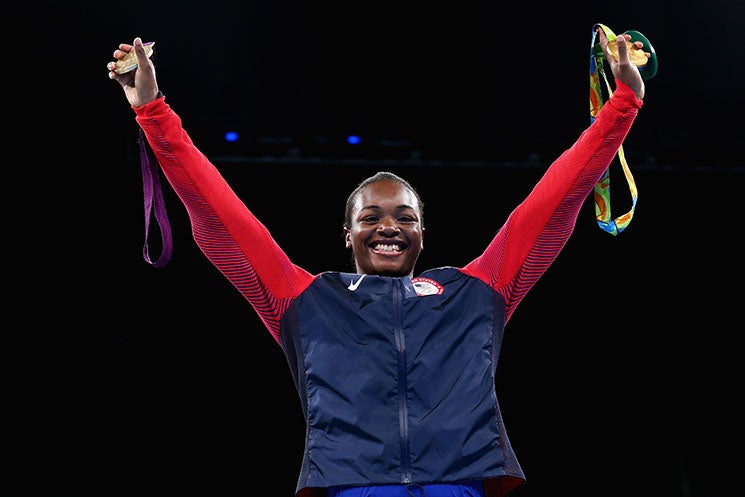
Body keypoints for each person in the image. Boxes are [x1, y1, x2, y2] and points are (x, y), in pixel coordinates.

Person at [108, 28, 647, 497]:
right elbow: (220, 213)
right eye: (371, 217)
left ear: (421, 233)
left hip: (457, 484)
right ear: (347, 235)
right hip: (354, 486)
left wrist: (623, 104)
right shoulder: (306, 298)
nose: (389, 226)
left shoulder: (474, 291)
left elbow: (553, 201)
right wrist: (152, 111)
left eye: (404, 218)